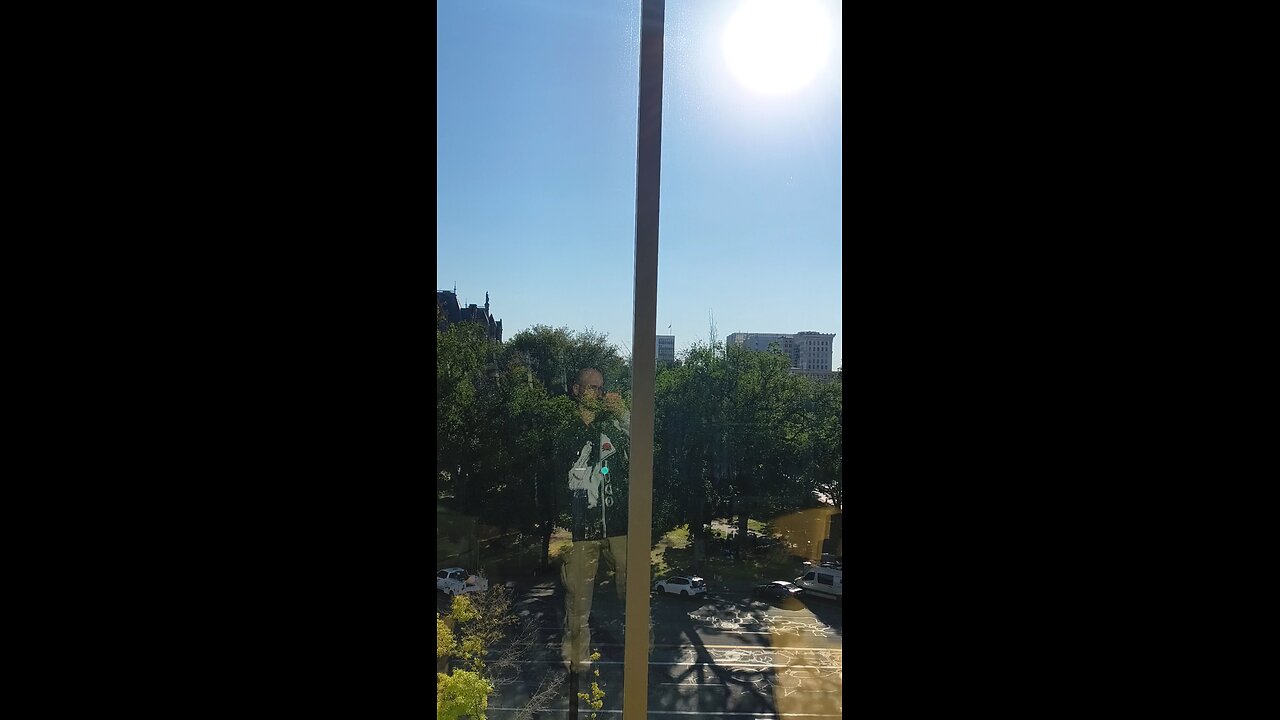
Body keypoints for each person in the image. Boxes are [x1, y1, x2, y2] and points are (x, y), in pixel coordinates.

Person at [560, 367, 631, 673]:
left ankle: (643, 650)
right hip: (580, 527)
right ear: (576, 390)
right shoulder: (565, 428)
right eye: (590, 388)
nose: (597, 394)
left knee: (633, 588)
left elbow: (645, 445)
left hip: (618, 522)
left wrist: (624, 413)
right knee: (577, 600)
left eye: (601, 389)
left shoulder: (612, 424)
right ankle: (577, 662)